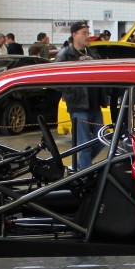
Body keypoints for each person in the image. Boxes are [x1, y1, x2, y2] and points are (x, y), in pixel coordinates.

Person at [54, 22, 103, 170]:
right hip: (79, 106)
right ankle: (85, 174)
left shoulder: (93, 54)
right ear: (74, 35)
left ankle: (80, 167)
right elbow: (56, 81)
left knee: (102, 139)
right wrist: (72, 94)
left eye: (88, 33)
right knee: (84, 144)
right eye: (84, 33)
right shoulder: (65, 55)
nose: (87, 36)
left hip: (95, 104)